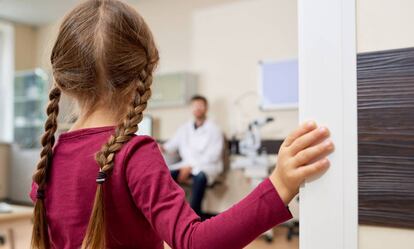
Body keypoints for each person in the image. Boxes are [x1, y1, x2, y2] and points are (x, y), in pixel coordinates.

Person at [29, 1, 334, 249]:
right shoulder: (134, 153)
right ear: (145, 74)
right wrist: (279, 184)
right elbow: (194, 241)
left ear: (62, 78)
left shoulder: (49, 161)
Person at [160, 95, 223, 216]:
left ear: (206, 108)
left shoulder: (214, 129)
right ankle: (169, 213)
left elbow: (213, 156)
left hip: (207, 167)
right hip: (186, 166)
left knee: (200, 177)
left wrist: (191, 167)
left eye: (201, 106)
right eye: (195, 106)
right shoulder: (184, 128)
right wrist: (161, 147)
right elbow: (171, 145)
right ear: (191, 108)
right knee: (166, 176)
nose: (198, 108)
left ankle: (194, 215)